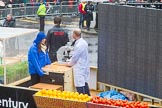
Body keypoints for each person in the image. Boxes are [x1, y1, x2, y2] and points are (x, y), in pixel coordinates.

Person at [66, 29, 90, 96]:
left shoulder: (79, 45)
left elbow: (75, 58)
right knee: (84, 82)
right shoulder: (84, 42)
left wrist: (69, 64)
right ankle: (88, 97)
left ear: (74, 35)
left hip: (79, 67)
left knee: (79, 84)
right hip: (84, 65)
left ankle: (82, 100)